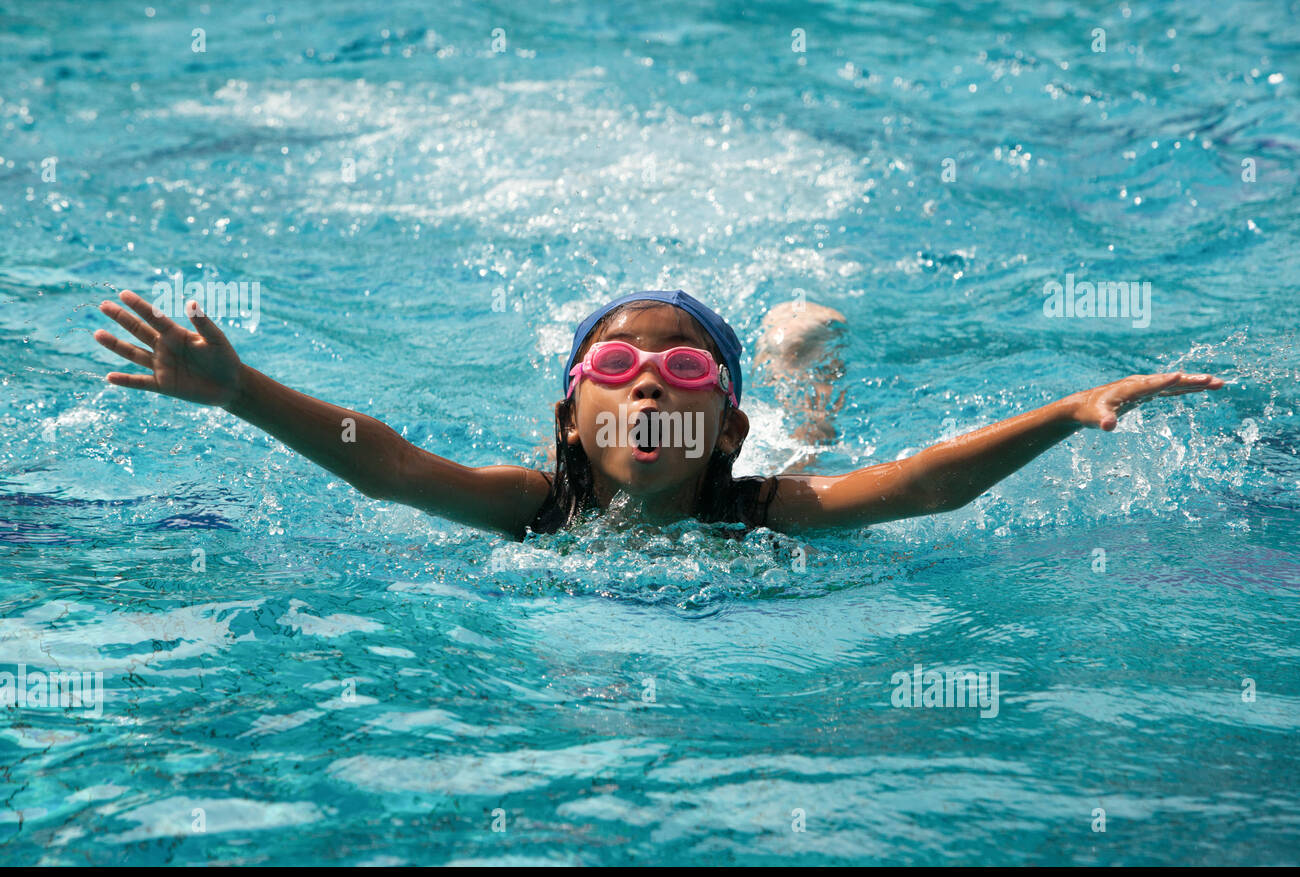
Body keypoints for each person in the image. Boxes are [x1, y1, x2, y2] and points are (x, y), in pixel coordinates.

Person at [91, 288, 1224, 541]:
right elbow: (381, 463)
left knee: (815, 449)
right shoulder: (534, 503)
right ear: (571, 418)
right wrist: (241, 393)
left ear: (719, 422)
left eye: (684, 373)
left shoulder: (766, 499)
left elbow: (924, 481)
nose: (646, 382)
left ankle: (789, 368)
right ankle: (782, 359)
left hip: (755, 462)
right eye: (618, 366)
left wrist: (1069, 411)